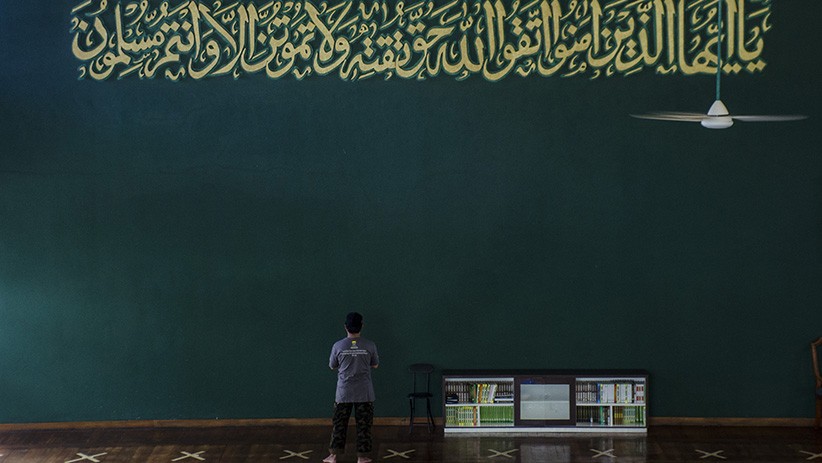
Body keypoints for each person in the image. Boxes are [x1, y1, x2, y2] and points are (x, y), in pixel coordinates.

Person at [323, 312, 379, 463]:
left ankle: (333, 456)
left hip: (343, 393)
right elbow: (375, 364)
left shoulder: (338, 345)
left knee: (339, 424)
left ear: (345, 327)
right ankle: (362, 457)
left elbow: (332, 366)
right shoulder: (370, 345)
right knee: (364, 425)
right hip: (365, 393)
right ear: (362, 326)